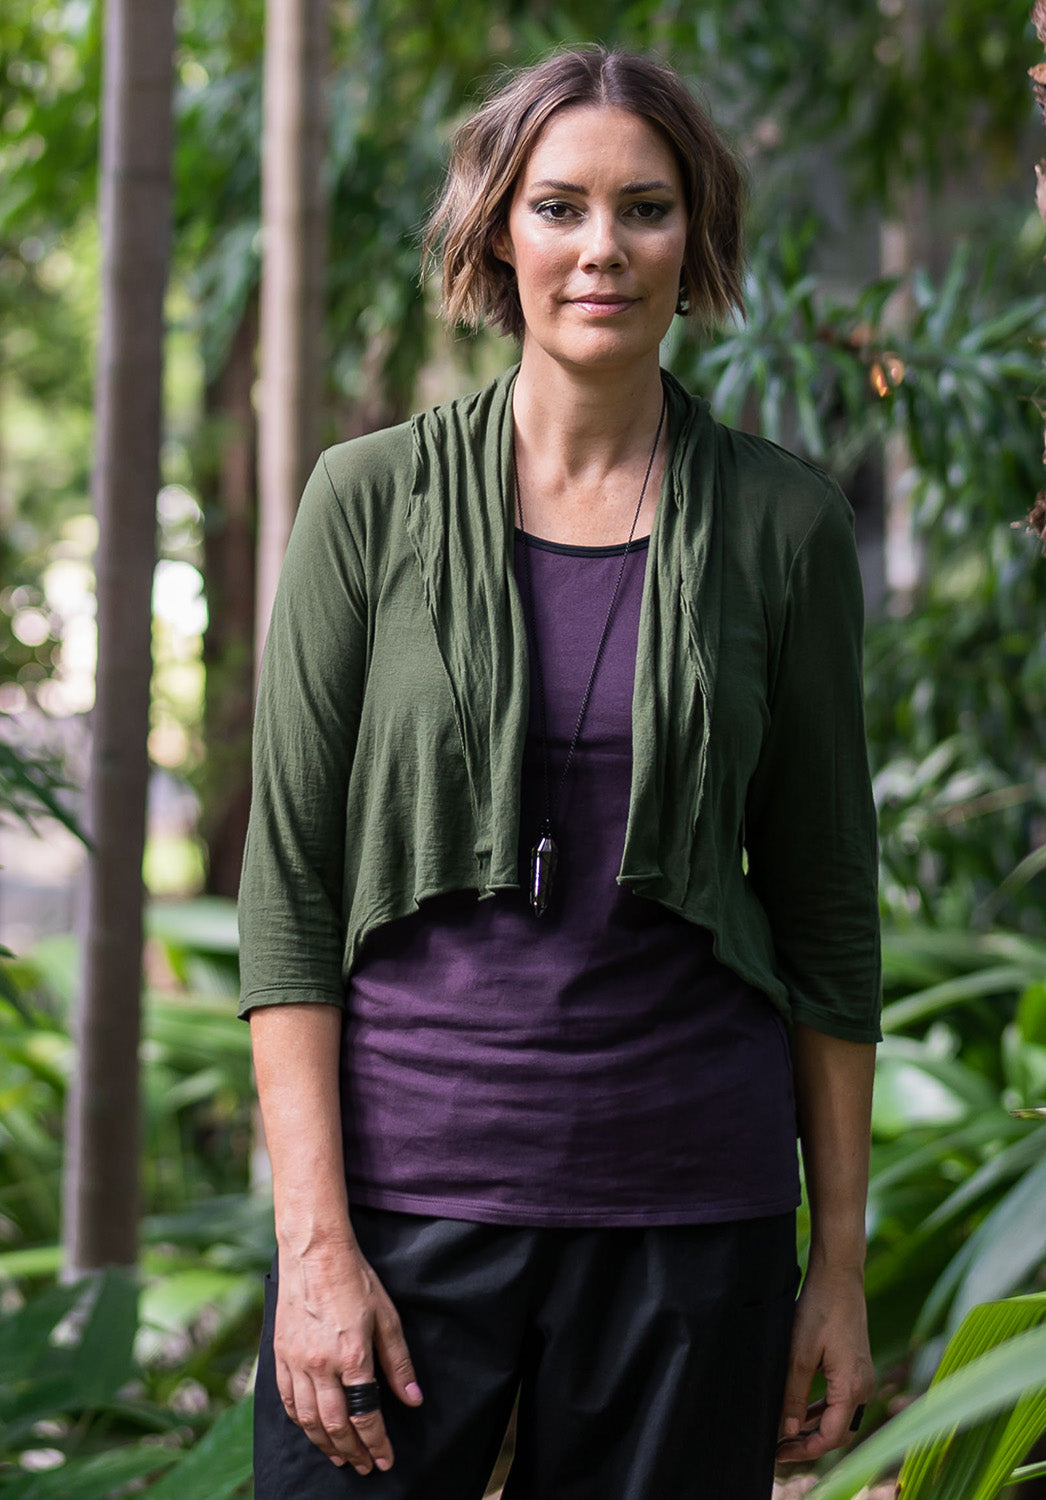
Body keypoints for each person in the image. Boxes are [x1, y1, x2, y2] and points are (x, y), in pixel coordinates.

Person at [239, 45, 881, 1500]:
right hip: (401, 1210)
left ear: (694, 242)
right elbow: (289, 892)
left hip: (687, 1217)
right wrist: (314, 1245)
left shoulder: (784, 528)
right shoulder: (367, 499)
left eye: (646, 209)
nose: (603, 248)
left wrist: (836, 1267)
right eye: (559, 207)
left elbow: (828, 912)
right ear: (496, 237)